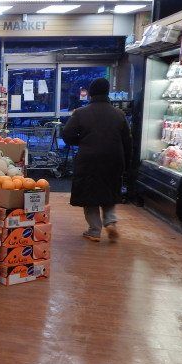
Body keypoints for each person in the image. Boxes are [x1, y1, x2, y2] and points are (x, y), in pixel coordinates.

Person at [61, 78, 132, 242]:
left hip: (89, 159)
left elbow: (67, 134)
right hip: (114, 159)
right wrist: (127, 165)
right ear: (107, 93)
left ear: (91, 93)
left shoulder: (81, 113)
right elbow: (128, 142)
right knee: (109, 192)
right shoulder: (119, 115)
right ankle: (111, 222)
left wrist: (81, 141)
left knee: (89, 194)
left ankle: (94, 230)